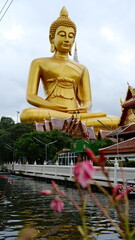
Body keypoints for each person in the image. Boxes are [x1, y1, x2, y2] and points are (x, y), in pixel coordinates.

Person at [20, 7, 119, 131]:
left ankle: (71, 121)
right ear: (51, 38)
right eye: (62, 35)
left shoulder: (82, 68)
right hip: (52, 112)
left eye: (71, 36)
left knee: (115, 121)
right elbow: (30, 96)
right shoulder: (39, 62)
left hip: (77, 114)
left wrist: (84, 108)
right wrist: (52, 107)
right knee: (27, 114)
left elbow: (87, 102)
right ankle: (70, 122)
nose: (67, 39)